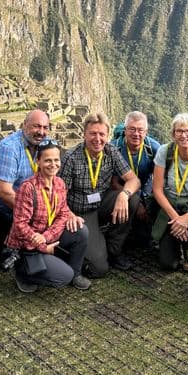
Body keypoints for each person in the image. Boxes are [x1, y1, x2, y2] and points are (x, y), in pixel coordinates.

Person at [59, 112, 140, 277]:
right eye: (93, 133)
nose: (98, 139)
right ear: (84, 134)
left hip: (102, 204)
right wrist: (70, 216)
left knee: (133, 199)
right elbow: (59, 197)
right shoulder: (71, 158)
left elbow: (134, 180)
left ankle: (113, 251)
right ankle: (73, 251)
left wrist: (124, 195)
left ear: (107, 135)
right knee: (99, 269)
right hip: (80, 212)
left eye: (102, 134)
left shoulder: (110, 151)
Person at [5, 140, 92, 293]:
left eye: (56, 160)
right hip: (27, 245)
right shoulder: (28, 188)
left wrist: (46, 237)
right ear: (38, 161)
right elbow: (20, 225)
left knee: (81, 231)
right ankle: (23, 272)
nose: (53, 164)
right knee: (63, 277)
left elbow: (63, 213)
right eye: (47, 160)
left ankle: (75, 274)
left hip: (45, 236)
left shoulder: (59, 183)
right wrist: (41, 245)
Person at [0, 109, 51, 261]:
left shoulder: (45, 144)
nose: (41, 132)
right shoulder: (10, 148)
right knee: (0, 253)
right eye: (36, 126)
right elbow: (4, 192)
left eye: (45, 127)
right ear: (24, 125)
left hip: (22, 206)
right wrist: (33, 214)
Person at [151, 113, 188, 271]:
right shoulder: (165, 152)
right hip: (170, 207)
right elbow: (157, 189)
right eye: (179, 131)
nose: (184, 135)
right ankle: (177, 243)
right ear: (173, 134)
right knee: (168, 264)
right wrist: (177, 219)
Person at [110, 111, 161, 247]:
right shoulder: (114, 148)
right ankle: (117, 238)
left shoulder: (154, 149)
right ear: (125, 130)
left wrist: (144, 199)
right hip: (122, 191)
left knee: (144, 240)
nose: (136, 134)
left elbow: (159, 178)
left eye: (140, 130)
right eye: (132, 129)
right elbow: (113, 182)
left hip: (146, 190)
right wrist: (137, 202)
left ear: (146, 132)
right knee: (130, 205)